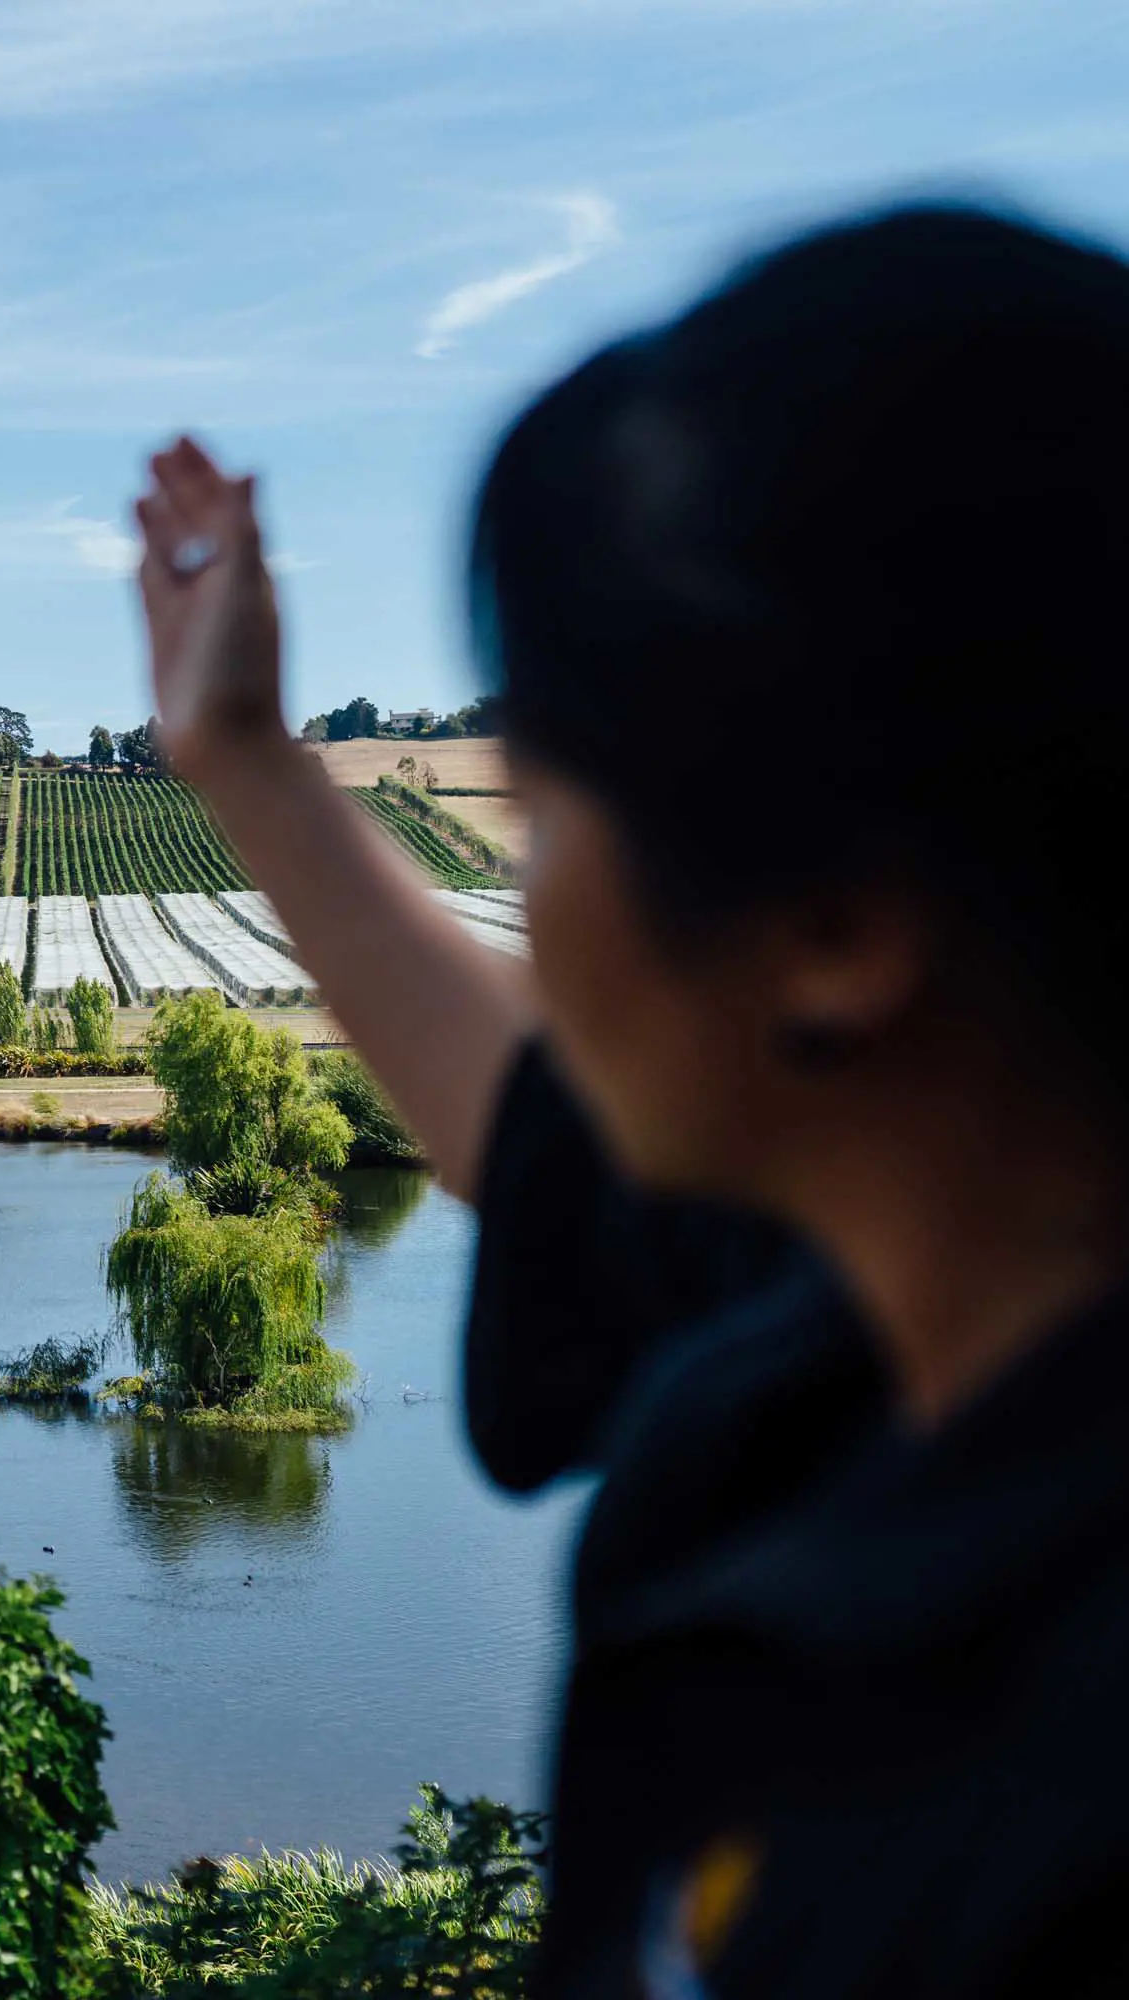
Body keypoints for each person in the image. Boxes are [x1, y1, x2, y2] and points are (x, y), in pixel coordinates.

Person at [134, 204, 1129, 1996]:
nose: (532, 889)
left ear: (831, 930)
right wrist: (244, 762)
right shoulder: (861, 1323)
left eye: (540, 807)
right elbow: (531, 1131)